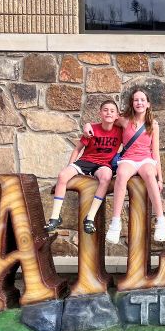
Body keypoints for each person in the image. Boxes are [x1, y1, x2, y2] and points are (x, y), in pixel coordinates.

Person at [85, 88, 165, 244]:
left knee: (150, 175)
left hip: (145, 159)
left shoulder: (153, 125)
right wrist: (87, 125)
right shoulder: (124, 120)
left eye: (142, 100)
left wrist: (160, 179)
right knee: (121, 175)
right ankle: (115, 223)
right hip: (128, 158)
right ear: (132, 103)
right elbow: (106, 119)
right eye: (136, 100)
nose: (139, 103)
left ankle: (160, 221)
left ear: (148, 104)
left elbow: (155, 152)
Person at [45, 99, 121, 235]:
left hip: (103, 164)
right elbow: (77, 149)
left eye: (112, 111)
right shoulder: (92, 129)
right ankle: (55, 217)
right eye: (105, 110)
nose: (108, 113)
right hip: (86, 161)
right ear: (100, 114)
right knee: (63, 175)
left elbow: (131, 121)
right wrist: (70, 166)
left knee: (106, 177)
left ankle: (90, 217)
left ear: (117, 115)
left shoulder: (120, 131)